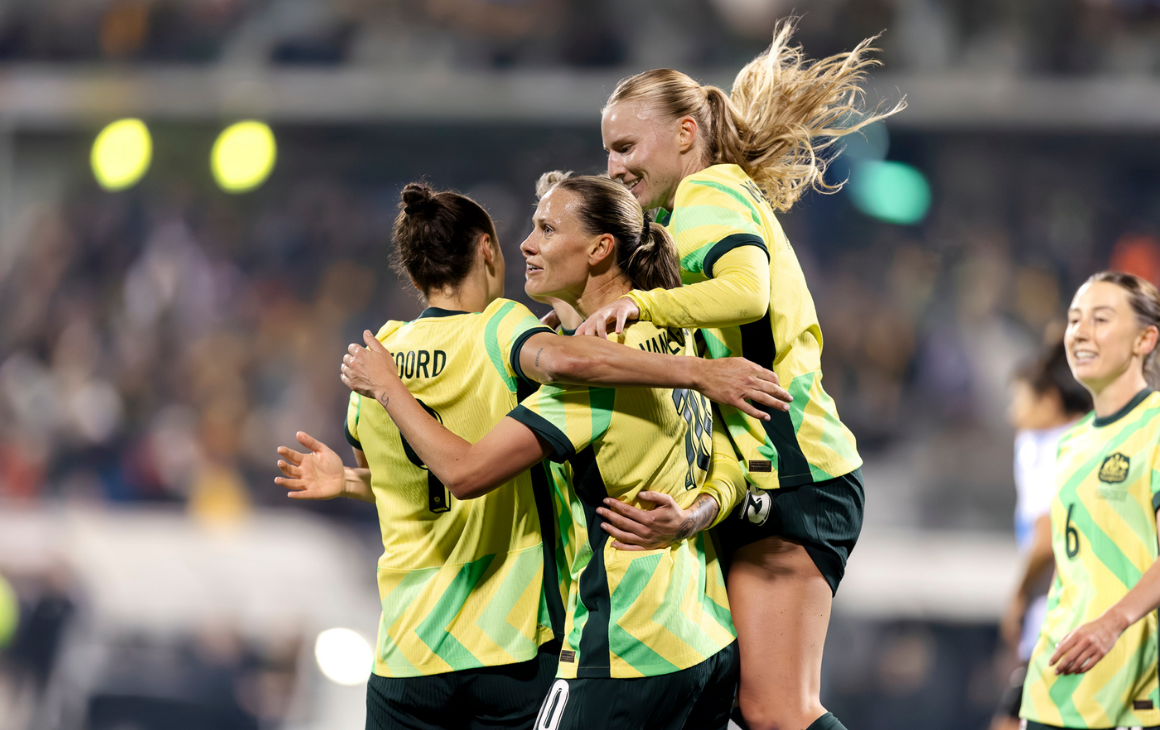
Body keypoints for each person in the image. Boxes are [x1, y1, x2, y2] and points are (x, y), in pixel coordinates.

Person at [275, 181, 785, 730]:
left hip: (581, 648)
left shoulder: (382, 356)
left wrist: (380, 416)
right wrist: (696, 509)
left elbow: (456, 472)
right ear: (486, 248)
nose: (527, 245)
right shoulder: (665, 337)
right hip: (661, 638)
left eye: (545, 229)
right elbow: (729, 462)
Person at [574, 19, 904, 730]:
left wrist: (640, 304)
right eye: (607, 150)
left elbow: (747, 290)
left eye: (626, 146)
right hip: (767, 472)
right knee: (736, 702)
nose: (614, 166)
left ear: (687, 134)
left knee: (776, 711)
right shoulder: (693, 210)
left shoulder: (710, 195)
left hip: (795, 472)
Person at [1020, 271, 1160, 730]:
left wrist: (1112, 622)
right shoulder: (1071, 442)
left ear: (1145, 339)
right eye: (1074, 319)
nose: (1080, 332)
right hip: (1055, 686)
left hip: (1133, 690)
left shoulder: (1155, 427)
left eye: (1101, 319)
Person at [991, 340, 1092, 730]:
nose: (1011, 413)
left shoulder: (1046, 446)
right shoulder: (1091, 436)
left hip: (1061, 621)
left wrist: (1016, 597)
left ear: (1049, 401)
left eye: (1018, 400)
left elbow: (1048, 533)